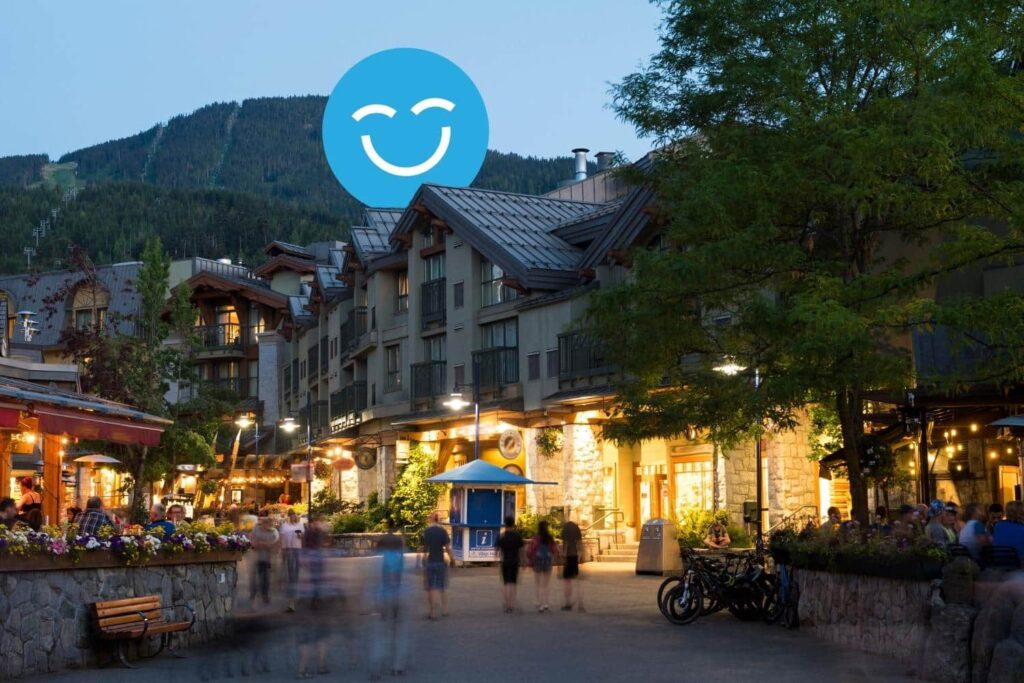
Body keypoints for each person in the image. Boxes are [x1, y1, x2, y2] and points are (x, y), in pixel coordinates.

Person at [372, 524, 409, 678]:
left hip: (382, 594)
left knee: (381, 633)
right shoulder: (398, 557)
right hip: (396, 594)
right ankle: (396, 667)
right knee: (396, 631)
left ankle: (376, 669)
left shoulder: (380, 557)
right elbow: (397, 577)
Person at [420, 512, 454, 620]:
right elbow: (448, 548)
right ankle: (445, 610)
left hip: (430, 562)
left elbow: (424, 549)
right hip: (440, 561)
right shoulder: (443, 531)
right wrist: (452, 560)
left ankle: (433, 612)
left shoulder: (427, 532)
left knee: (431, 587)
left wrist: (423, 560)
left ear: (430, 519)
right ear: (438, 519)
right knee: (443, 586)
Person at [527, 520, 559, 612]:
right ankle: (546, 603)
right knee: (546, 584)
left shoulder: (536, 538)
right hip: (548, 560)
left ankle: (539, 603)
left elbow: (531, 550)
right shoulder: (550, 538)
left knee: (538, 583)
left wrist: (530, 561)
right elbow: (554, 549)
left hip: (538, 560)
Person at [249, 514, 279, 605]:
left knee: (265, 577)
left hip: (267, 558)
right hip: (256, 557)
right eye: (265, 524)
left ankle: (264, 594)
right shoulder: (256, 529)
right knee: (255, 577)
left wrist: (263, 544)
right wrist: (260, 544)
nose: (266, 527)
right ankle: (253, 595)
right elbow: (252, 542)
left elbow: (274, 545)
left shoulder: (274, 532)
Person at [496, 515, 524, 614]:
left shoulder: (502, 536)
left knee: (506, 583)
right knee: (513, 583)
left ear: (505, 524)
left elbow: (497, 549)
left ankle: (507, 605)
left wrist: (498, 559)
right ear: (513, 524)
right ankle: (512, 604)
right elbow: (521, 550)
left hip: (505, 561)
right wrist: (523, 561)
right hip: (515, 561)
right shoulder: (517, 536)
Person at [279, 509, 304, 612]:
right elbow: (281, 538)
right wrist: (281, 550)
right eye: (291, 515)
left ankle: (294, 595)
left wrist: (300, 535)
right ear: (288, 516)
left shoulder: (300, 525)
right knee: (290, 574)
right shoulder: (284, 526)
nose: (293, 517)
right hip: (287, 550)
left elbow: (303, 536)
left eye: (294, 515)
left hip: (297, 549)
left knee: (295, 573)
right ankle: (291, 599)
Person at [561, 517, 585, 612]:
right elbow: (579, 545)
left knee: (568, 581)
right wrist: (579, 557)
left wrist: (563, 557)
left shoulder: (565, 531)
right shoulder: (577, 531)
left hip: (568, 557)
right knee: (578, 581)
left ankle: (568, 603)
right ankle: (580, 603)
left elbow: (565, 545)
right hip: (575, 557)